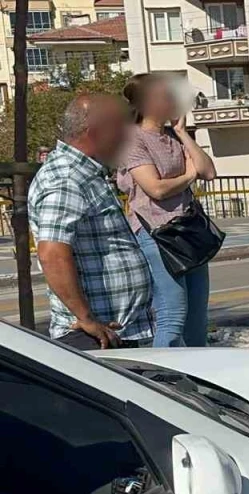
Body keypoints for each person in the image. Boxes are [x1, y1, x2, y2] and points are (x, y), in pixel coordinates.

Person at [31, 94, 153, 350]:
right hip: (93, 337)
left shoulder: (86, 173)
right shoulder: (67, 179)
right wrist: (85, 318)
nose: (127, 137)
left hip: (115, 330)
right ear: (96, 132)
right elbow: (52, 253)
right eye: (121, 128)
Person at [118, 73, 218, 348]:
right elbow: (156, 189)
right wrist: (188, 176)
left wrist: (183, 133)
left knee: (197, 318)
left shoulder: (173, 137)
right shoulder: (132, 140)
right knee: (172, 316)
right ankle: (163, 381)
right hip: (157, 233)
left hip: (188, 231)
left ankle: (199, 381)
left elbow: (208, 172)